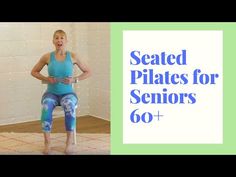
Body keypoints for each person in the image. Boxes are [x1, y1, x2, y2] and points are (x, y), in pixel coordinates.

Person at [31, 29, 91, 154]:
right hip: (51, 93)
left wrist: (75, 79)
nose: (59, 40)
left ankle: (68, 143)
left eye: (62, 38)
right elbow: (34, 71)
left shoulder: (73, 56)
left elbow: (88, 71)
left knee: (69, 105)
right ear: (53, 41)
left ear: (66, 40)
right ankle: (47, 143)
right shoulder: (47, 57)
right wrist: (46, 78)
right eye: (56, 38)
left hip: (68, 94)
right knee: (46, 107)